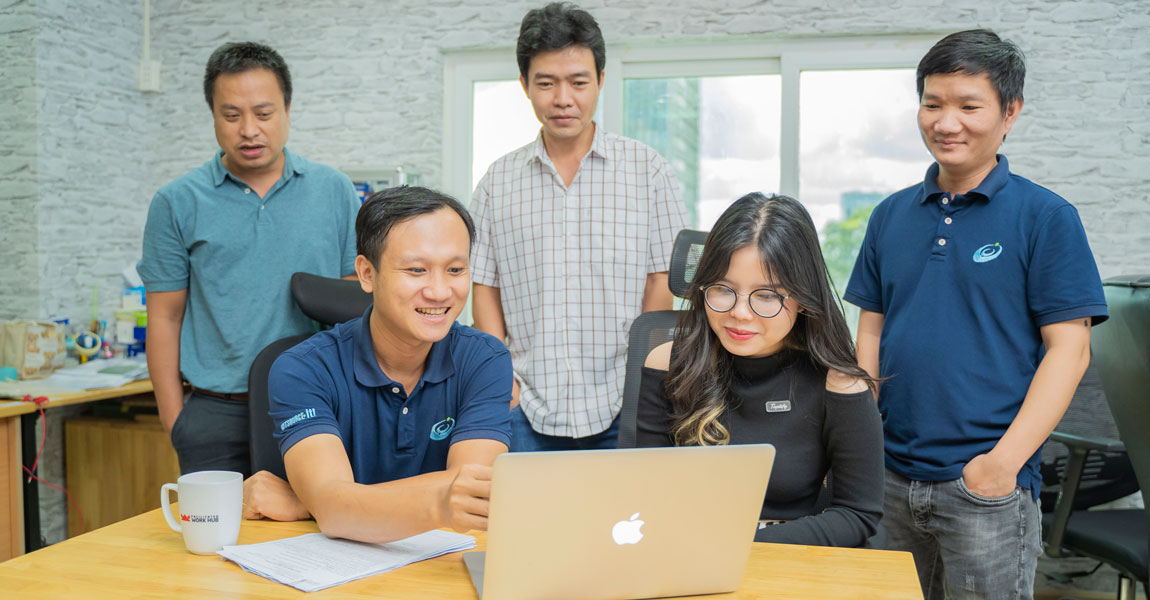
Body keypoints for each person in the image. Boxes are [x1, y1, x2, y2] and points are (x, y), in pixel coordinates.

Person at [845, 30, 1108, 599]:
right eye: (933, 103)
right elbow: (871, 328)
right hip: (890, 479)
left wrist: (1001, 466)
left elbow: (1071, 349)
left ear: (1010, 112)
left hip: (985, 489)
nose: (946, 122)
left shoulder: (1046, 217)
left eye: (969, 106)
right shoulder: (889, 216)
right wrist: (863, 442)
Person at [471, 2, 687, 452]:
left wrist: (642, 381)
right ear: (525, 86)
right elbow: (485, 288)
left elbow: (660, 283)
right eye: (546, 83)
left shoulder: (647, 170)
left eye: (578, 82)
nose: (563, 99)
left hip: (623, 402)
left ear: (601, 81)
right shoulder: (498, 181)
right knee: (525, 522)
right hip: (524, 405)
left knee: (621, 522)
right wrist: (500, 382)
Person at [240, 186, 512, 542]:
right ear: (367, 274)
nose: (440, 291)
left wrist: (316, 504)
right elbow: (338, 510)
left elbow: (472, 496)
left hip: (441, 566)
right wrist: (332, 506)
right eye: (416, 270)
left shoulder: (485, 360)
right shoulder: (301, 368)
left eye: (456, 269)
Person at [138, 42, 359, 477]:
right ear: (214, 117)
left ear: (288, 110)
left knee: (317, 538)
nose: (249, 130)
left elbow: (356, 300)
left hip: (316, 406)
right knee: (211, 544)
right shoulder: (176, 201)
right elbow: (164, 317)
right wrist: (176, 420)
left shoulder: (333, 190)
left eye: (263, 113)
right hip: (215, 414)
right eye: (232, 115)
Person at [636, 193, 883, 548]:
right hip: (684, 551)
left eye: (766, 295)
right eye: (723, 289)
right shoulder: (667, 362)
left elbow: (858, 514)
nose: (740, 313)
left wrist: (740, 546)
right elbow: (644, 488)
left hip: (788, 558)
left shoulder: (839, 382)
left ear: (802, 299)